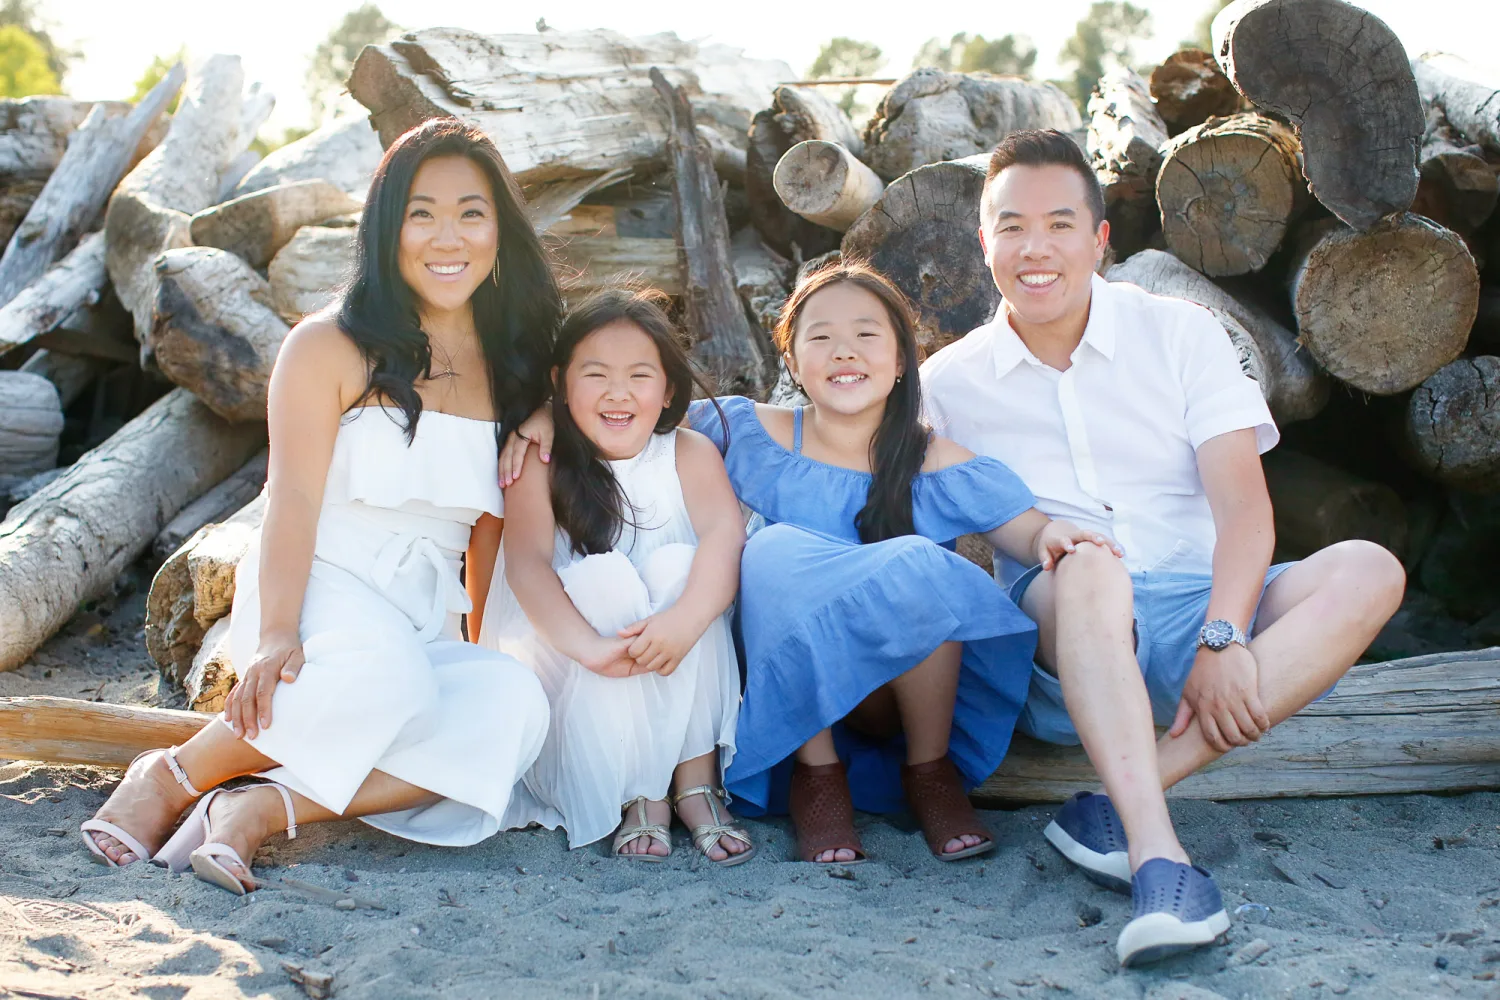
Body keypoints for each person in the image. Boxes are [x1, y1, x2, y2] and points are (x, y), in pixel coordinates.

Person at [920, 129, 1406, 965]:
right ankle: (1159, 858)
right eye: (1011, 226)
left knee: (1370, 568)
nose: (1035, 248)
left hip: (1196, 610)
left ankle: (1116, 802)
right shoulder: (948, 384)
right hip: (1058, 635)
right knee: (1089, 563)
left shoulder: (1179, 333)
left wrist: (1225, 635)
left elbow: (1246, 513)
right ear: (983, 241)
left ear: (1101, 239)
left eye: (1061, 223)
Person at [79, 118, 561, 894]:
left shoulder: (517, 365)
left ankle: (263, 810)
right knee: (388, 681)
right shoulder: (326, 345)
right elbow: (292, 500)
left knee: (513, 707)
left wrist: (479, 635)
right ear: (387, 227)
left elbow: (490, 525)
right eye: (422, 212)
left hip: (422, 614)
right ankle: (170, 776)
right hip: (322, 586)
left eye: (472, 212)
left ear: (500, 229)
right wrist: (274, 633)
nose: (450, 235)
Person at [502, 263, 1116, 865]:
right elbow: (628, 413)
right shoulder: (746, 430)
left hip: (901, 696)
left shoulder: (933, 459)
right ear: (792, 362)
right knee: (769, 553)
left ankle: (930, 774)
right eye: (820, 337)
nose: (843, 352)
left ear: (902, 360)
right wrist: (543, 416)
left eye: (866, 336)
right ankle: (817, 779)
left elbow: (1029, 530)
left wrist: (1057, 535)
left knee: (923, 570)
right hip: (794, 710)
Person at [475, 289, 752, 865]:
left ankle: (694, 778)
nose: (618, 393)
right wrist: (593, 650)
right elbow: (524, 565)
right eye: (595, 374)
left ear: (669, 388)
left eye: (640, 375)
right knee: (605, 580)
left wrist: (684, 620)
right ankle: (640, 793)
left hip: (680, 675)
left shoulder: (689, 453)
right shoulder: (540, 461)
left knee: (683, 569)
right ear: (561, 382)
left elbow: (727, 540)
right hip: (579, 689)